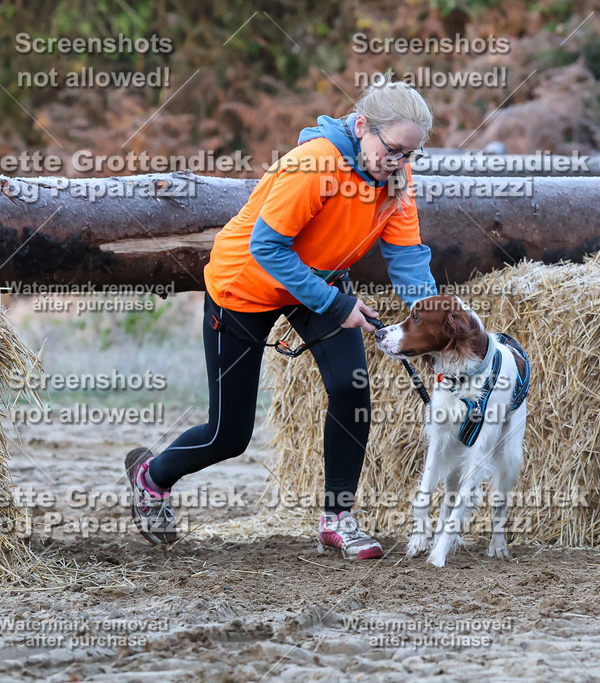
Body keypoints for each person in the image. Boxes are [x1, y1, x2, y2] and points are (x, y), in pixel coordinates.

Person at [124, 79, 437, 559]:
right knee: (229, 435)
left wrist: (433, 320)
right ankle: (152, 477)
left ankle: (337, 519)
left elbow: (408, 258)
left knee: (351, 388)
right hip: (246, 285)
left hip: (318, 280)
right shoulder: (314, 164)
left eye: (409, 155)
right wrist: (336, 305)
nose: (398, 162)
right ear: (361, 126)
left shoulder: (395, 177)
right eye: (393, 150)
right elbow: (267, 248)